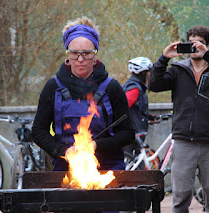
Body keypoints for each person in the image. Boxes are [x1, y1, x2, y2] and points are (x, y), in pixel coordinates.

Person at [148, 25, 209, 212]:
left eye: (200, 44)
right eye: (191, 44)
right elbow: (154, 85)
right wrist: (164, 58)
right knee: (180, 197)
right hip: (183, 142)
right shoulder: (177, 70)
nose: (195, 48)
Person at [31, 16, 135, 172]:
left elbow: (128, 133)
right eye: (74, 53)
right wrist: (63, 151)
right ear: (67, 54)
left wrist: (95, 146)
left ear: (95, 55)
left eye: (87, 53)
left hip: (108, 170)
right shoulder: (53, 87)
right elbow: (38, 132)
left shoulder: (112, 88)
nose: (80, 59)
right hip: (66, 170)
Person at [123, 57, 156, 153]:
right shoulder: (134, 89)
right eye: (149, 72)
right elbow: (122, 108)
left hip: (136, 132)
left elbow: (136, 110)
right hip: (134, 134)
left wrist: (150, 117)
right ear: (143, 73)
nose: (150, 75)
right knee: (134, 164)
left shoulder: (137, 87)